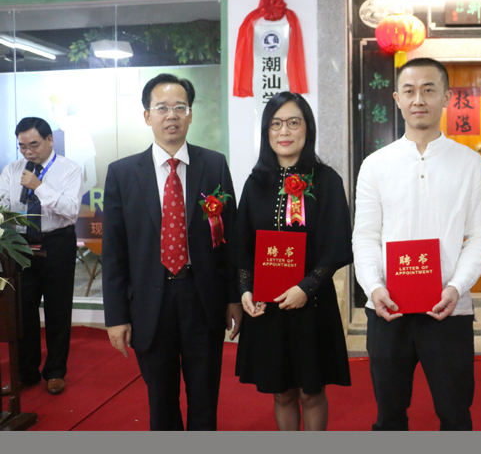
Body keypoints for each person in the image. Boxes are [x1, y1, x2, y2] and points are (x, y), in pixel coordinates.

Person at [352, 58, 481, 430]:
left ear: (446, 97)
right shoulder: (375, 165)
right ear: (397, 99)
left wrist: (456, 287)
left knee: (455, 415)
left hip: (448, 310)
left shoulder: (470, 164)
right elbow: (365, 235)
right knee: (389, 416)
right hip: (388, 309)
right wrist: (374, 287)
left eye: (429, 90)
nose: (419, 100)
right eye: (410, 91)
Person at [102, 73, 242, 431]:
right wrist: (116, 316)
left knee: (204, 398)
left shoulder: (214, 165)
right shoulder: (122, 174)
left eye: (180, 107)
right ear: (147, 115)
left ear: (190, 114)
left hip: (203, 297)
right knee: (161, 402)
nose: (172, 115)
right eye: (162, 108)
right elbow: (114, 252)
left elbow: (230, 239)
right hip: (149, 302)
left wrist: (233, 297)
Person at [233, 92, 352, 431]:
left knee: (311, 393)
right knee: (281, 392)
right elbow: (242, 245)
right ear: (266, 131)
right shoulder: (255, 183)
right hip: (267, 308)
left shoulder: (327, 180)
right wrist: (245, 290)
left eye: (293, 122)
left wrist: (306, 287)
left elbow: (337, 244)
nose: (284, 131)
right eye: (276, 124)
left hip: (311, 305)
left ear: (307, 128)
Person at [0, 117, 83, 396]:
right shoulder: (12, 170)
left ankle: (55, 372)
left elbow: (70, 209)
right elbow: (3, 205)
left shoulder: (69, 169)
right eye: (22, 146)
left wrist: (38, 186)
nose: (28, 152)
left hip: (57, 241)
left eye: (34, 145)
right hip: (20, 244)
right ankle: (26, 372)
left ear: (49, 140)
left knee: (58, 309)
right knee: (22, 310)